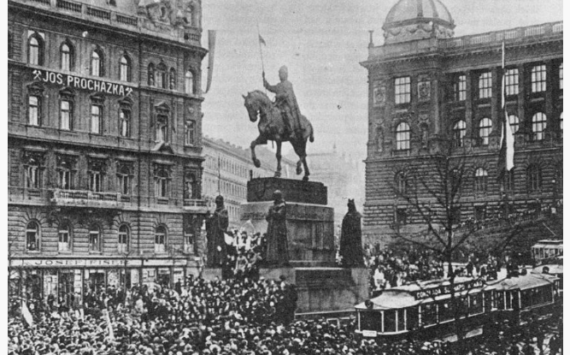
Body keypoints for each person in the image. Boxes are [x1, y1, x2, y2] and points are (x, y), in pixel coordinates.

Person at [263, 66, 302, 141]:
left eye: (280, 74)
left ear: (285, 74)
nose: (279, 75)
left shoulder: (288, 84)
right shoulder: (278, 85)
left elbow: (287, 94)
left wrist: (279, 95)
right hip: (278, 105)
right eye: (279, 74)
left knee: (286, 113)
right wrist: (264, 79)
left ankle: (292, 131)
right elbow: (270, 88)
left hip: (286, 105)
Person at [265, 190, 289, 266]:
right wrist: (269, 213)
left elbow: (279, 215)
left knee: (279, 243)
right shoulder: (273, 206)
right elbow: (267, 217)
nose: (274, 198)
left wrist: (272, 211)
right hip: (272, 227)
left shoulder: (282, 205)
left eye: (275, 196)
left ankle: (280, 260)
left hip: (278, 227)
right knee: (272, 243)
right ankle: (272, 259)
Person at [339, 199, 364, 267]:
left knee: (353, 251)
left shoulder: (351, 216)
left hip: (353, 238)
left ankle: (352, 261)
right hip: (349, 239)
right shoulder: (348, 216)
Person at [205, 195, 229, 267]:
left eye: (219, 202)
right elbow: (211, 221)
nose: (217, 204)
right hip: (213, 233)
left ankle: (220, 262)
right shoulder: (216, 211)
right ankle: (211, 262)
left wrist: (217, 215)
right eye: (217, 202)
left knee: (220, 248)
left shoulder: (224, 210)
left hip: (219, 234)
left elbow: (224, 220)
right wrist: (208, 218)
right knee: (211, 248)